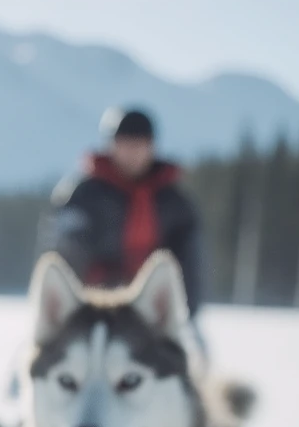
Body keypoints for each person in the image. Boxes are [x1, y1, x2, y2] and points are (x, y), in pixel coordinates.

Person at [41, 108, 204, 317]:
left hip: (151, 309)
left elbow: (190, 260)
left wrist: (186, 312)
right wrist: (72, 309)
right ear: (111, 146)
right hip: (92, 306)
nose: (133, 152)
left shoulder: (173, 201)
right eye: (126, 144)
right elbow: (64, 255)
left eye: (140, 145)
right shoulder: (83, 195)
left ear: (151, 147)